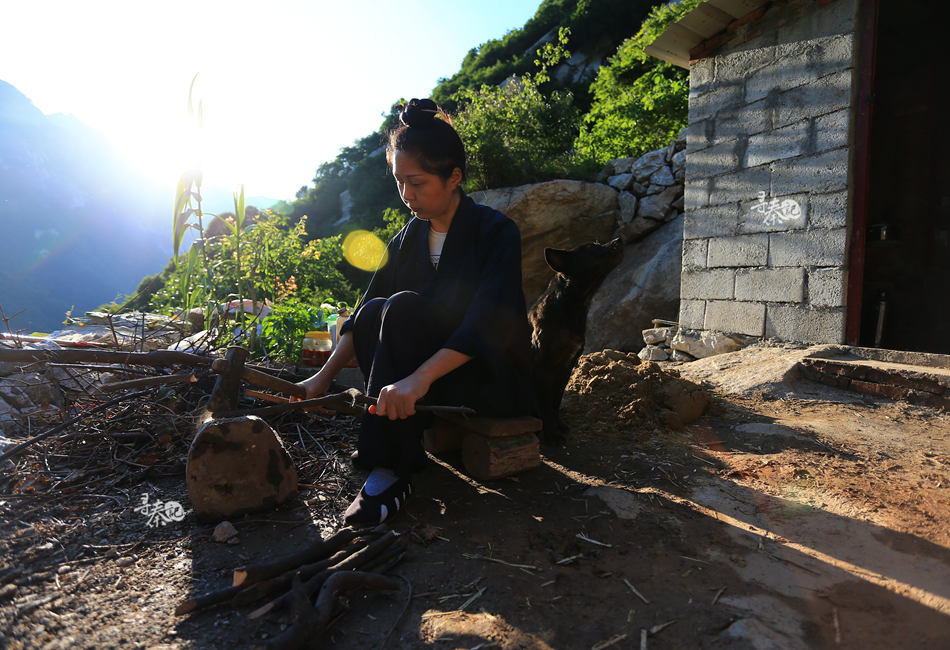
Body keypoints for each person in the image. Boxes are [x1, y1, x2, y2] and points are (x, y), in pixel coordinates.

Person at [297, 98, 536, 526]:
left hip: (488, 380)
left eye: (418, 182)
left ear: (454, 177)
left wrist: (417, 378)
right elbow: (362, 315)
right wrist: (324, 376)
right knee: (376, 309)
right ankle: (394, 451)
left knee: (403, 307)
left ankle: (391, 470)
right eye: (399, 182)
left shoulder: (495, 232)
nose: (407, 195)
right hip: (423, 390)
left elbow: (487, 323)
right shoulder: (408, 238)